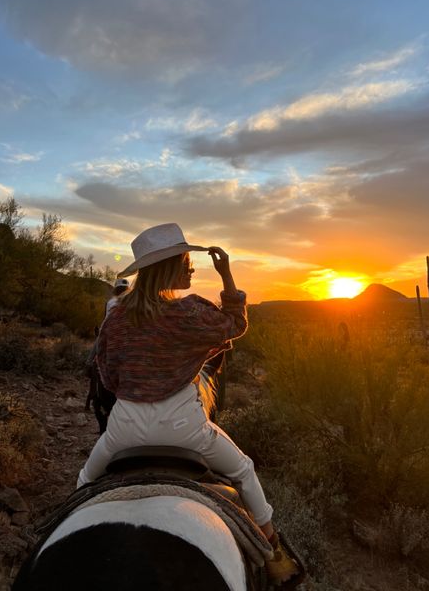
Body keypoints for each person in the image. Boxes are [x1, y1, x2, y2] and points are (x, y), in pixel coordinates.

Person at [77, 223, 301, 586]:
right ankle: (275, 554)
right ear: (169, 268)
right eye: (186, 262)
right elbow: (234, 324)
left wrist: (138, 389)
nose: (191, 268)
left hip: (123, 431)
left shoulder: (115, 317)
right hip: (185, 431)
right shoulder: (189, 313)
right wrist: (226, 275)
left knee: (86, 480)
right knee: (243, 470)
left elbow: (106, 373)